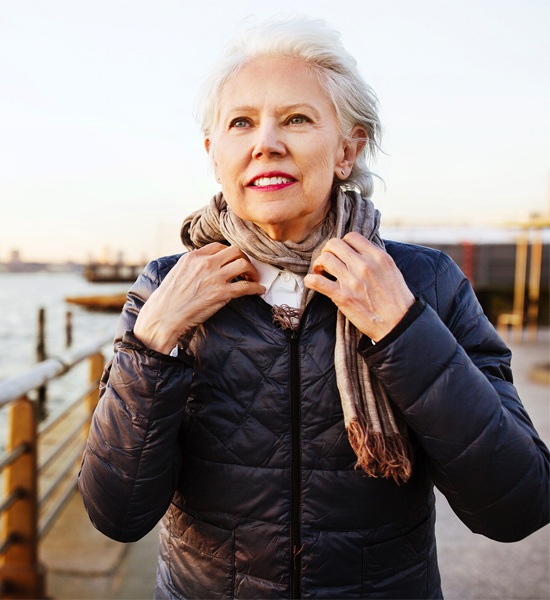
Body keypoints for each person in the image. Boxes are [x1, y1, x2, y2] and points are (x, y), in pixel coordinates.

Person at [78, 17, 549, 599]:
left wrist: (403, 331)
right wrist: (150, 343)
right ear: (215, 152)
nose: (265, 143)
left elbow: (517, 506)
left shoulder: (425, 282)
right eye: (241, 122)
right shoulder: (167, 286)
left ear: (347, 148)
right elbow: (116, 515)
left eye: (297, 119)